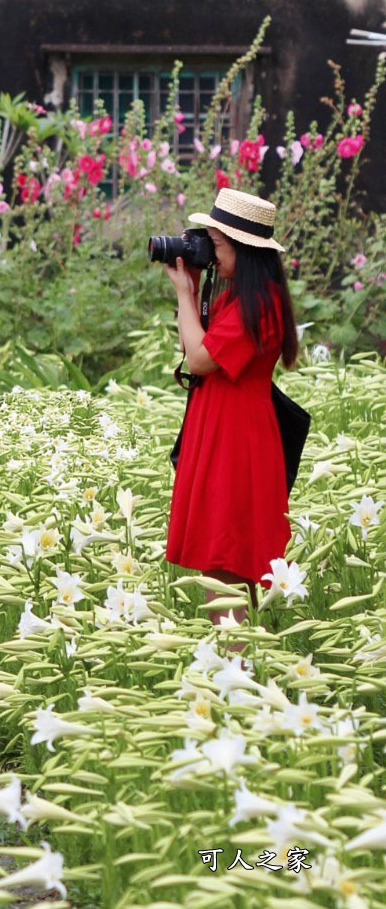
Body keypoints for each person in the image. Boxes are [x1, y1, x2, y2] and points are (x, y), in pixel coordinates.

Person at [164, 187, 299, 631]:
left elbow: (200, 360)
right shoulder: (238, 298)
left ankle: (234, 669)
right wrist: (190, 290)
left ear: (244, 248)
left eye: (216, 244)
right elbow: (192, 346)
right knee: (221, 557)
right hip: (224, 429)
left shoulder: (260, 305)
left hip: (236, 439)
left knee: (226, 558)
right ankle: (236, 667)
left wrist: (185, 293)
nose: (209, 253)